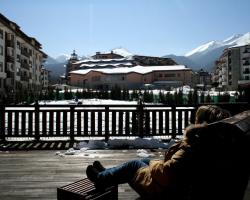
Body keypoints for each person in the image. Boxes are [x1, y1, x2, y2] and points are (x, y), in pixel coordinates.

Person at [86, 105, 231, 199]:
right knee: (145, 161)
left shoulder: (193, 146)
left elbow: (167, 173)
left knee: (134, 164)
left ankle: (100, 179)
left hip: (166, 192)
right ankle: (109, 174)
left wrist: (155, 164)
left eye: (196, 119)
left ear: (201, 123)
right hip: (179, 185)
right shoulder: (214, 143)